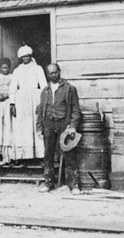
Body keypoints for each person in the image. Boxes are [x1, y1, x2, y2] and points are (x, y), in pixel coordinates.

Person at [36, 64, 82, 194]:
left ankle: (74, 185)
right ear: (47, 74)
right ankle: (48, 182)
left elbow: (76, 110)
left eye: (55, 72)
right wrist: (39, 127)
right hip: (48, 124)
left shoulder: (69, 89)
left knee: (69, 153)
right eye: (50, 73)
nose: (53, 75)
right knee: (48, 154)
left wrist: (73, 127)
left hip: (64, 123)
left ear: (59, 72)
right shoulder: (45, 91)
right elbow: (40, 111)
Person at [9, 45, 47, 164]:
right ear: (20, 58)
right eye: (23, 57)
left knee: (35, 125)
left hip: (34, 98)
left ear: (31, 56)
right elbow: (13, 87)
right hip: (21, 101)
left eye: (27, 56)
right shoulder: (17, 70)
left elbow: (44, 86)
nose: (25, 58)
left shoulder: (38, 69)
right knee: (22, 127)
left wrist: (41, 103)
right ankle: (23, 156)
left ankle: (39, 156)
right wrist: (12, 103)